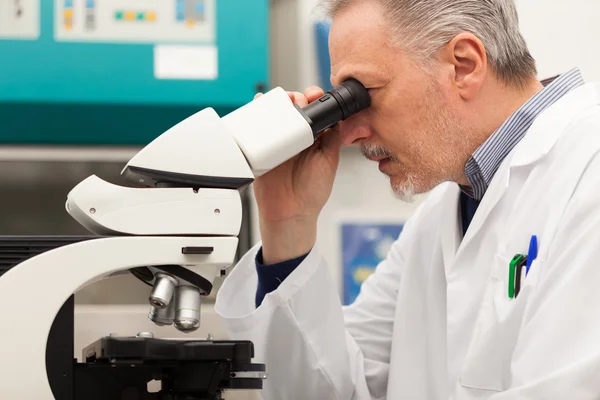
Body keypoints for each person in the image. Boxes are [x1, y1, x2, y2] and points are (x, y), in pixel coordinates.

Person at [215, 0, 600, 398]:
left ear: (463, 66)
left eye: (362, 95)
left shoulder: (588, 169)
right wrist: (288, 224)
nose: (348, 134)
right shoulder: (440, 214)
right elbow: (329, 388)